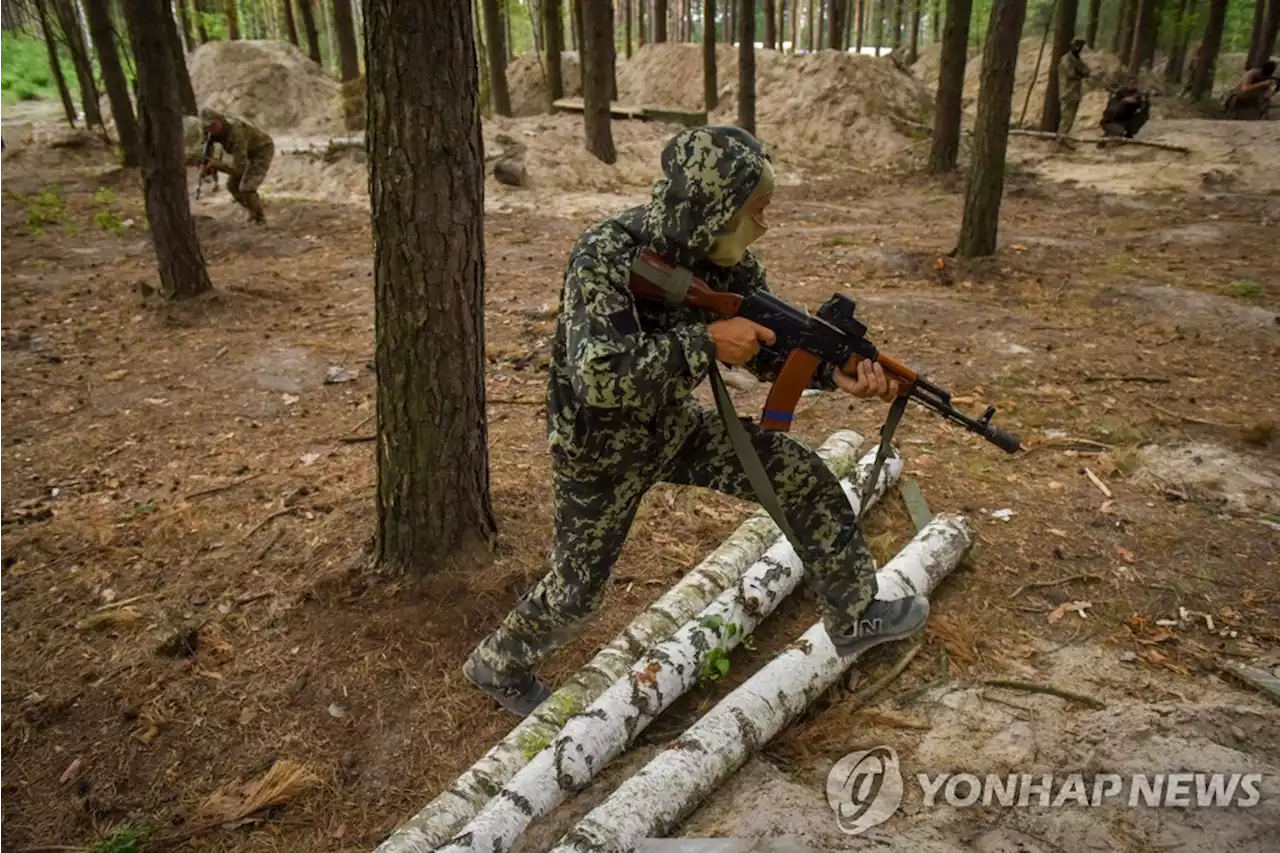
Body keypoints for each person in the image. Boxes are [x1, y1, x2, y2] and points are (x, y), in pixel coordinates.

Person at [462, 125, 932, 717]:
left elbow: (763, 348)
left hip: (672, 428)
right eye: (756, 211)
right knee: (577, 594)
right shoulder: (604, 254)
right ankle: (499, 663)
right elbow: (600, 378)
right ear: (716, 210)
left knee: (800, 476)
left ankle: (855, 613)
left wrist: (828, 372)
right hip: (598, 452)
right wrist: (704, 342)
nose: (764, 224)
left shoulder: (730, 264)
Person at [197, 106, 274, 224]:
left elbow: (239, 169)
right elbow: (206, 147)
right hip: (248, 151)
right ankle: (253, 212)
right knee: (232, 185)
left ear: (220, 119)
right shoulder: (208, 131)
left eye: (213, 125)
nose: (211, 129)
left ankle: (260, 220)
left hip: (262, 149)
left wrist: (216, 165)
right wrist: (204, 162)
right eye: (208, 127)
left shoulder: (236, 133)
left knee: (247, 187)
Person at [1058, 39, 1091, 137]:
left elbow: (1087, 71)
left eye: (1080, 46)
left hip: (1075, 93)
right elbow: (1072, 73)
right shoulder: (1066, 59)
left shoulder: (1077, 59)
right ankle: (1060, 139)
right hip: (1067, 93)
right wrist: (1081, 72)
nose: (1078, 48)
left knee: (1070, 119)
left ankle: (1063, 138)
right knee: (1066, 119)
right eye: (1077, 46)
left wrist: (1081, 72)